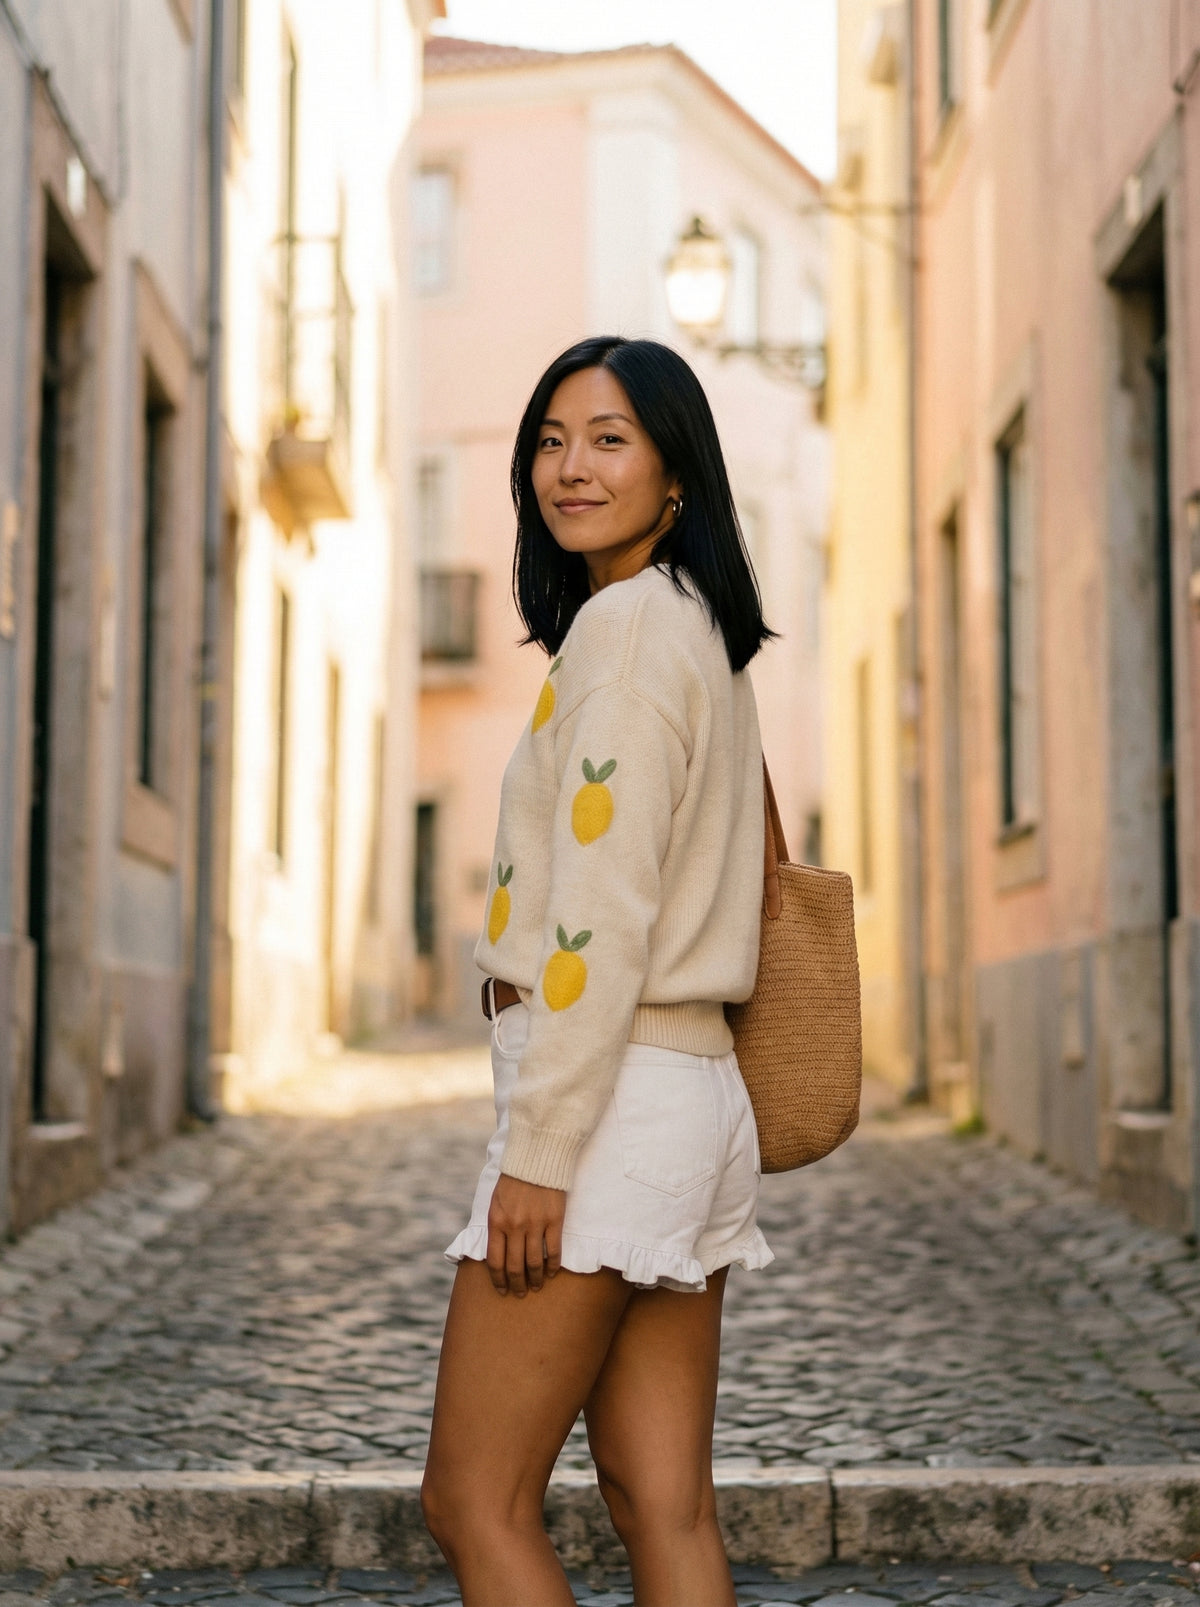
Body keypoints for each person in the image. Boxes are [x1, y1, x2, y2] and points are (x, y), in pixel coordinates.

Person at [422, 335, 774, 1607]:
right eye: (551, 440)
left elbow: (602, 919)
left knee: (475, 1498)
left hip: (611, 1098)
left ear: (676, 471)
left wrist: (542, 1146)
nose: (569, 467)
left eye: (610, 439)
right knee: (659, 1498)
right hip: (690, 1093)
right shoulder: (695, 624)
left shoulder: (626, 634)